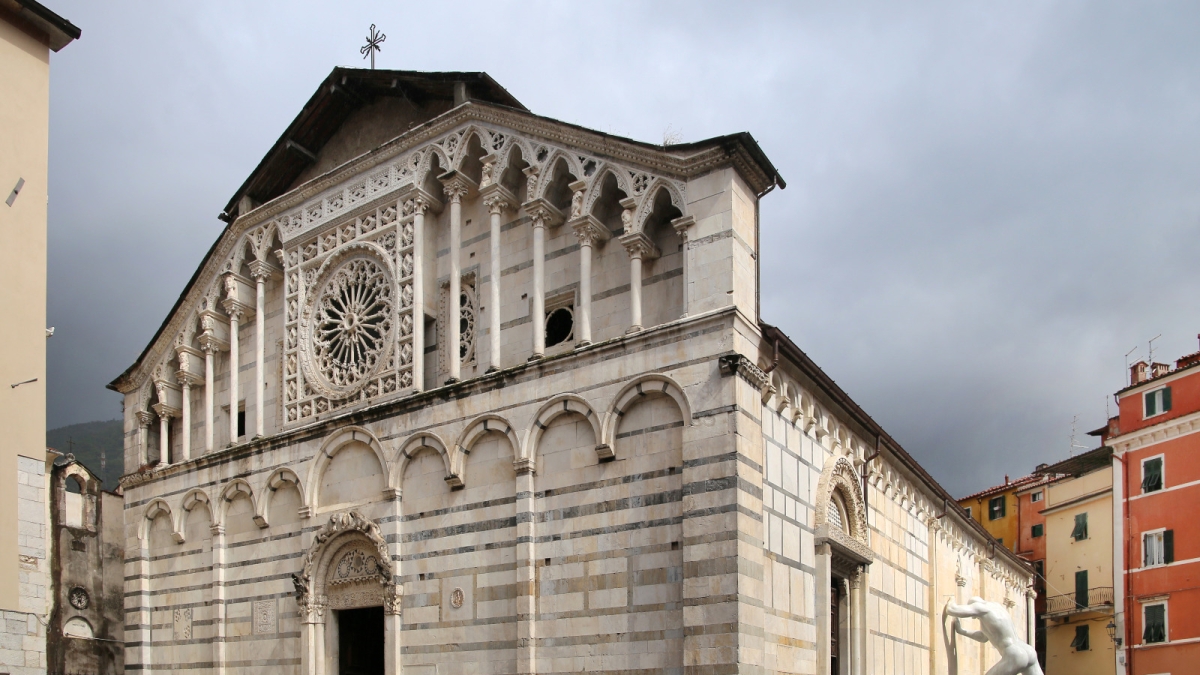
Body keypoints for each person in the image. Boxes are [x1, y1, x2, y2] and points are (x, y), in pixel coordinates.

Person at [946, 596, 1043, 675]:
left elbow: (951, 609)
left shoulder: (981, 608)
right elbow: (984, 637)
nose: (973, 617)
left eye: (973, 615)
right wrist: (962, 631)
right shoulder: (997, 608)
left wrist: (951, 599)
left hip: (1015, 654)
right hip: (1028, 650)